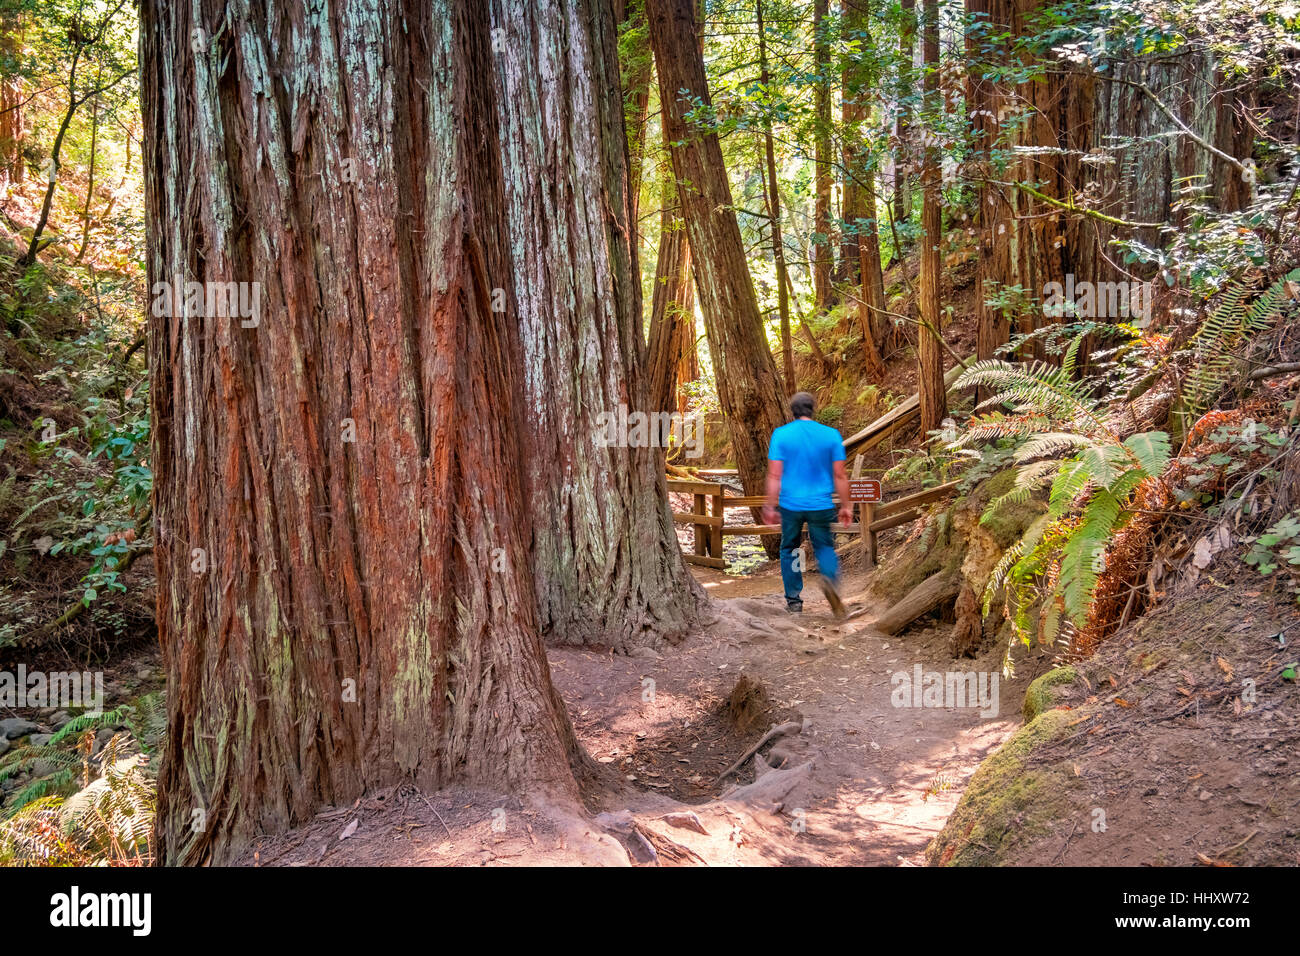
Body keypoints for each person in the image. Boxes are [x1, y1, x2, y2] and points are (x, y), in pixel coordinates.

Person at [762, 392, 850, 618]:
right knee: (824, 547)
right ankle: (830, 580)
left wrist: (770, 506)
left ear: (792, 410)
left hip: (791, 504)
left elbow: (774, 475)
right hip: (821, 503)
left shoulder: (781, 435)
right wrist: (846, 506)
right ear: (813, 408)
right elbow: (840, 475)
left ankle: (794, 601)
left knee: (789, 548)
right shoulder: (831, 435)